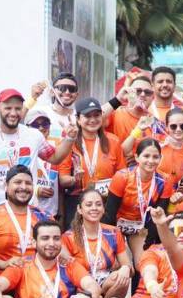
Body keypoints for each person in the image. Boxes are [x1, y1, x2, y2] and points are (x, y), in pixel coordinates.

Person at [0, 88, 77, 210]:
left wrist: (70, 137)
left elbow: (55, 158)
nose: (13, 113)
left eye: (18, 108)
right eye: (8, 108)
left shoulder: (34, 136)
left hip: (28, 210)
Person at [58, 96, 127, 225]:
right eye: (87, 116)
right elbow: (63, 179)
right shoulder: (69, 143)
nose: (93, 120)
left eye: (97, 115)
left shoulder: (113, 141)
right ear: (78, 119)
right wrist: (74, 179)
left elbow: (122, 175)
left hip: (106, 202)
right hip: (78, 201)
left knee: (105, 241)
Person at [65, 188, 134, 298]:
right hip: (82, 287)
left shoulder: (113, 232)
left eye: (98, 204)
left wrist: (126, 268)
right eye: (88, 204)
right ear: (79, 209)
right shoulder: (68, 237)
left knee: (122, 279)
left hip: (106, 283)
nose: (94, 208)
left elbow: (129, 268)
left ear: (103, 209)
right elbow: (68, 274)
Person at [0, 166, 51, 270]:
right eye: (18, 182)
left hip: (37, 280)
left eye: (28, 183)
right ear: (6, 186)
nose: (24, 187)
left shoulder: (44, 217)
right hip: (2, 279)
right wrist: (4, 264)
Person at [104, 138, 167, 235]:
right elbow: (110, 214)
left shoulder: (165, 181)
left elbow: (157, 219)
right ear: (137, 157)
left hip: (142, 228)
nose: (151, 161)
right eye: (146, 156)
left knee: (144, 250)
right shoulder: (122, 177)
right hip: (117, 223)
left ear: (161, 158)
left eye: (155, 157)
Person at [22, 106, 63, 222]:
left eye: (45, 124)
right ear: (27, 128)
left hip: (51, 215)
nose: (41, 128)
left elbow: (59, 189)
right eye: (35, 125)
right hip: (29, 212)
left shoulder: (55, 151)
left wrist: (59, 215)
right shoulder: (24, 150)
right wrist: (36, 190)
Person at [106, 74, 160, 147]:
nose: (143, 94)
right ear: (128, 93)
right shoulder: (115, 114)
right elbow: (91, 118)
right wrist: (118, 99)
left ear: (152, 97)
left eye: (147, 92)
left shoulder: (155, 123)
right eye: (137, 91)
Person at [158, 107, 183, 204]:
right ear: (166, 127)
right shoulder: (157, 145)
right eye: (173, 126)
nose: (178, 129)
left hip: (175, 202)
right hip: (155, 198)